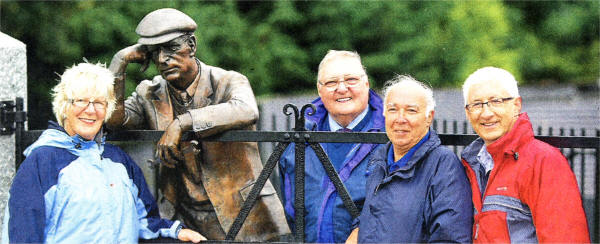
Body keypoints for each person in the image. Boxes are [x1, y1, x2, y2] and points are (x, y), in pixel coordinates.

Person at [105, 8, 289, 241]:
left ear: (191, 46)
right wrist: (119, 63)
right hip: (183, 219)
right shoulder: (148, 92)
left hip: (240, 214)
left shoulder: (228, 81)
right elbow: (113, 120)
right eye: (155, 52)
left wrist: (182, 123)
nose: (162, 59)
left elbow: (246, 109)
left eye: (171, 48)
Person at [1, 62, 204, 243]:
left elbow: (145, 219)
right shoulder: (41, 162)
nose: (91, 110)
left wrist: (172, 230)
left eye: (99, 103)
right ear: (64, 107)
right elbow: (22, 234)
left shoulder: (119, 161)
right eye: (80, 101)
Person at [461, 67, 590, 242]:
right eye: (476, 104)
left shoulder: (544, 161)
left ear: (516, 105)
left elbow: (565, 237)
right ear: (468, 113)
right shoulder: (469, 165)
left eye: (496, 101)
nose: (486, 113)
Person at [345, 75, 473, 243]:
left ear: (429, 117)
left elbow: (450, 238)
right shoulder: (380, 159)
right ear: (384, 114)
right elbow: (375, 212)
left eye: (411, 110)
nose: (400, 119)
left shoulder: (443, 166)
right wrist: (358, 229)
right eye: (393, 109)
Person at [278, 50, 385, 243]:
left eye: (351, 80)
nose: (342, 88)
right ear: (319, 90)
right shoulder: (299, 140)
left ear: (367, 84)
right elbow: (291, 211)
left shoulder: (393, 136)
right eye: (331, 82)